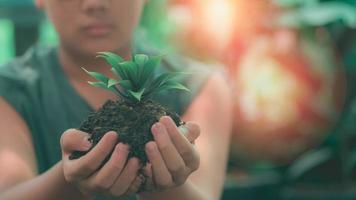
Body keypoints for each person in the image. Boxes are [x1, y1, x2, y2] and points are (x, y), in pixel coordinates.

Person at [0, 0, 232, 200]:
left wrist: (164, 186)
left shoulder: (200, 86)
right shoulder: (11, 89)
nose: (95, 4)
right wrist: (69, 177)